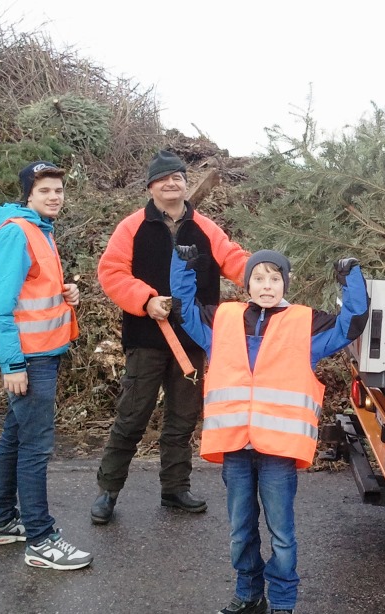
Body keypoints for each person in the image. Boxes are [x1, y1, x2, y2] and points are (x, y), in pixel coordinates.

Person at [169, 248, 368, 614]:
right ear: (246, 284)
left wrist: (350, 278)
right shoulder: (222, 321)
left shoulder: (304, 324)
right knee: (240, 531)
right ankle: (248, 594)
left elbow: (351, 323)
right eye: (258, 278)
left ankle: (282, 602)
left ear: (285, 284)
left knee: (281, 534)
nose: (266, 286)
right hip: (235, 447)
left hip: (279, 451)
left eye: (275, 279)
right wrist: (183, 265)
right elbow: (182, 308)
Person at [92, 150, 250, 524]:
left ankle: (175, 490)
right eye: (163, 179)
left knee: (182, 418)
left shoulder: (206, 229)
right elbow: (111, 273)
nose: (171, 183)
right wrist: (145, 300)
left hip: (193, 341)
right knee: (131, 417)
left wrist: (266, 277)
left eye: (177, 177)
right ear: (151, 187)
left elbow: (235, 260)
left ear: (184, 182)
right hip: (146, 338)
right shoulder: (131, 227)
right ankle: (108, 492)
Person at [0, 160, 93, 570]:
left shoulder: (40, 231)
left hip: (42, 352)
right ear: (28, 194)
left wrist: (68, 294)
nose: (54, 197)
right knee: (35, 448)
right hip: (29, 358)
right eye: (45, 190)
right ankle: (41, 540)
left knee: (15, 438)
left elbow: (32, 293)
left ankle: (1, 522)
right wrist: (11, 364)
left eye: (58, 190)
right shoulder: (17, 233)